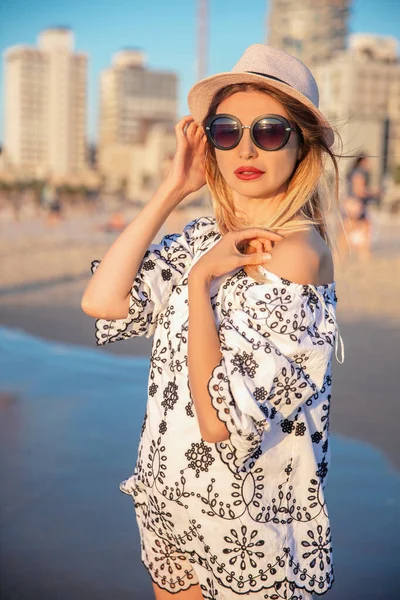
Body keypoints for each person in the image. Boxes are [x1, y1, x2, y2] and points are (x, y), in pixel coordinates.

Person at [81, 44, 345, 600]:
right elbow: (104, 303)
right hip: (169, 497)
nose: (246, 147)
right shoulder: (206, 236)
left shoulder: (297, 253)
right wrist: (173, 189)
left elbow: (222, 423)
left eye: (270, 131)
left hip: (246, 524)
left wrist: (200, 283)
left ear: (303, 147)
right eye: (226, 132)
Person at [339, 153, 375, 260]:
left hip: (350, 203)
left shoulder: (353, 171)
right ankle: (363, 254)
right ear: (362, 161)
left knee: (349, 228)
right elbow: (358, 190)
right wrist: (374, 193)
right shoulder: (360, 172)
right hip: (355, 204)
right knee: (359, 227)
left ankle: (342, 253)